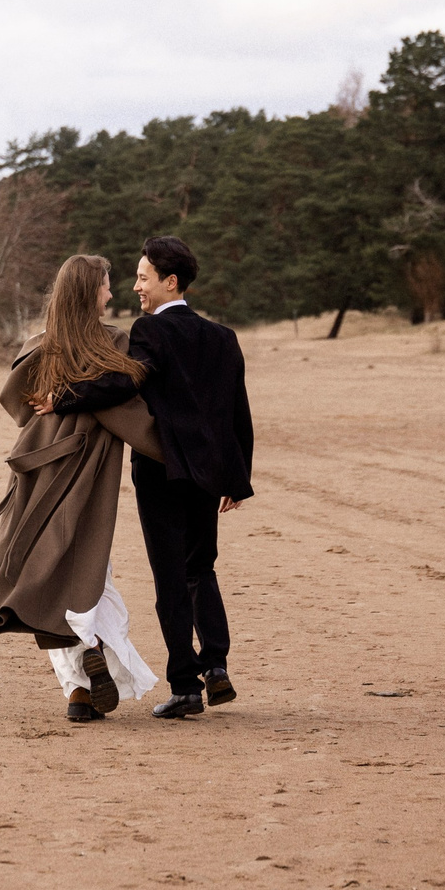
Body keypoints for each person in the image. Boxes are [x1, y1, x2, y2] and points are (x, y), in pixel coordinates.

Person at [0, 253, 165, 723]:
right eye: (106, 285)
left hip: (38, 470)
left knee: (44, 573)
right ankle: (90, 648)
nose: (111, 293)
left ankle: (78, 692)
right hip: (87, 474)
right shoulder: (115, 343)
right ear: (89, 292)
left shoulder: (39, 347)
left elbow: (14, 401)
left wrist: (56, 403)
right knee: (90, 574)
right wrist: (176, 452)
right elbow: (129, 411)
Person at [124, 234, 255, 721]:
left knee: (170, 580)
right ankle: (216, 666)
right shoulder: (222, 337)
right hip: (207, 475)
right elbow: (237, 414)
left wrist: (66, 400)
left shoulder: (149, 330)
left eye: (143, 277)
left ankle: (185, 686)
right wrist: (236, 479)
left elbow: (125, 383)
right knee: (202, 569)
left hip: (160, 473)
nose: (136, 286)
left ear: (170, 281)